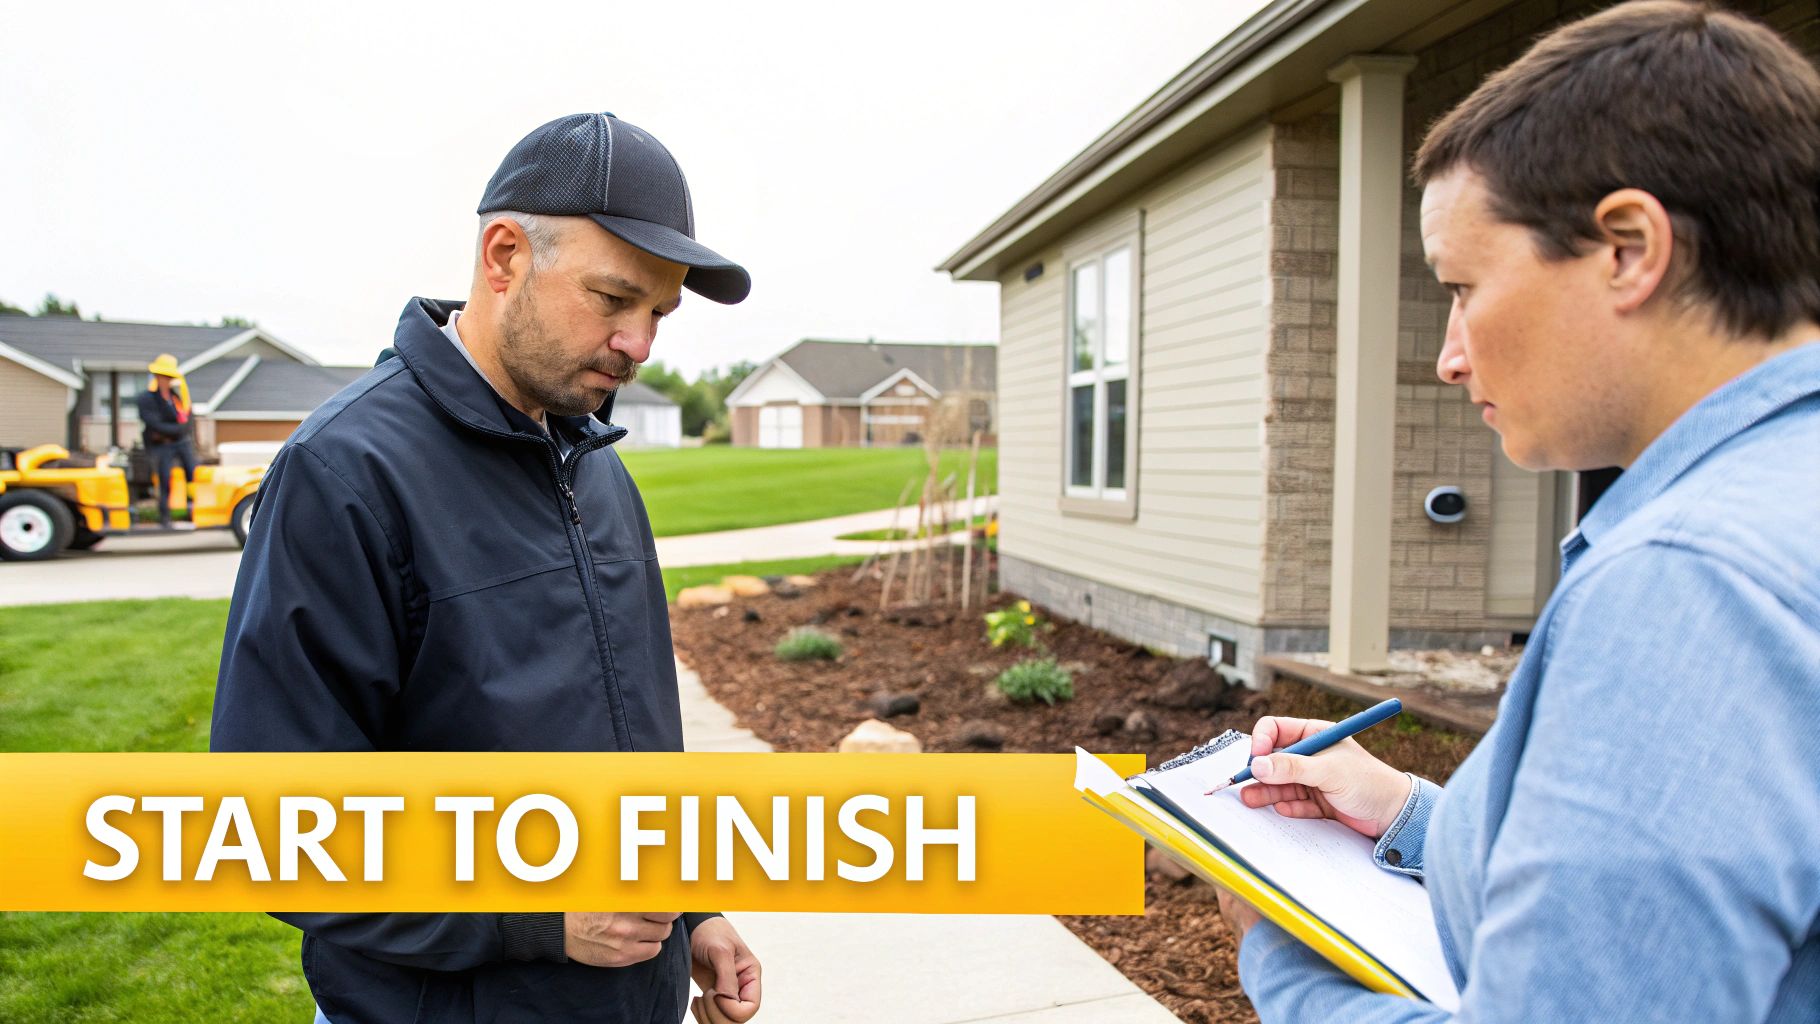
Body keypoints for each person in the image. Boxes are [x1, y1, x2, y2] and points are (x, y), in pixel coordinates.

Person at [1217, 3, 1820, 1020]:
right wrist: (1413, 812)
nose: (1449, 354)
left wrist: (1283, 958)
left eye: (1462, 286)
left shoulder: (1684, 584)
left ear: (1628, 247)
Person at [211, 113, 763, 1024]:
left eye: (659, 313)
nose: (642, 345)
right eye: (614, 298)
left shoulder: (601, 466)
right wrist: (533, 916)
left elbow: (628, 745)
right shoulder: (345, 472)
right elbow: (272, 825)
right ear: (504, 256)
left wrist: (692, 909)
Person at [137, 353, 196, 529]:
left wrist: (180, 430)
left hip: (180, 442)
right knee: (164, 478)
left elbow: (187, 419)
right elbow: (154, 423)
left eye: (170, 377)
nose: (167, 380)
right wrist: (178, 429)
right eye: (164, 376)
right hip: (161, 445)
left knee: (193, 472)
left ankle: (191, 507)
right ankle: (165, 516)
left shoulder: (176, 398)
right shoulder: (147, 398)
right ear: (157, 376)